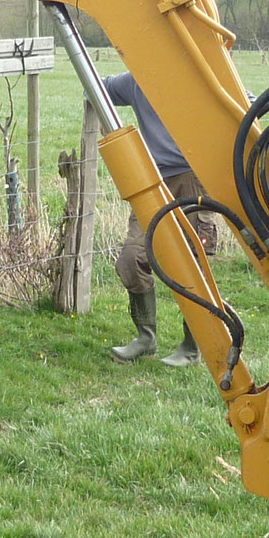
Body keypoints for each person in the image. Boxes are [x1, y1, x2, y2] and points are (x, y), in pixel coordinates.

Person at [103, 70, 217, 365]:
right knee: (131, 258)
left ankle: (194, 346)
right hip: (150, 183)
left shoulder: (197, 74)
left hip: (192, 179)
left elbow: (242, 102)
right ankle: (146, 338)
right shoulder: (136, 81)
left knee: (194, 263)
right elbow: (100, 88)